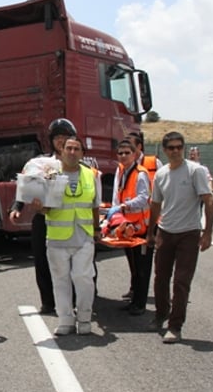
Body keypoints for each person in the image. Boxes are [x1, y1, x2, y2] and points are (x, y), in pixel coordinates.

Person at [147, 131, 213, 343]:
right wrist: (151, 231)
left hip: (189, 234)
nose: (176, 151)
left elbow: (208, 201)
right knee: (160, 279)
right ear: (165, 151)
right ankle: (160, 314)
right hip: (166, 232)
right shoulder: (161, 174)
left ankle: (175, 326)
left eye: (179, 147)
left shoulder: (196, 171)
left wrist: (207, 233)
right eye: (171, 148)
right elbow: (156, 204)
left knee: (181, 282)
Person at [9, 118, 77, 315]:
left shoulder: (78, 163)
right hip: (42, 216)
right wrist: (17, 207)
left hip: (67, 219)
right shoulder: (39, 163)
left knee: (71, 262)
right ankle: (48, 302)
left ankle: (73, 300)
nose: (61, 141)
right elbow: (25, 185)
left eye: (65, 137)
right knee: (41, 259)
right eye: (57, 137)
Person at [44, 137, 101, 336]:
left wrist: (97, 230)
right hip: (58, 237)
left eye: (76, 149)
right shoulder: (51, 174)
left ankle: (85, 319)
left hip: (83, 236)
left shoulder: (90, 175)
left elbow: (95, 205)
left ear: (82, 153)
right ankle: (66, 320)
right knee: (60, 280)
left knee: (83, 278)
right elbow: (44, 207)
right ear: (61, 151)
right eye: (68, 148)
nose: (72, 152)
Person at [105, 138, 152, 316]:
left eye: (127, 153)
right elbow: (118, 195)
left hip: (142, 228)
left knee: (142, 269)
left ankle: (140, 304)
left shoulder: (140, 173)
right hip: (128, 227)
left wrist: (124, 206)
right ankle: (134, 301)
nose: (123, 156)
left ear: (134, 154)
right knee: (133, 267)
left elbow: (143, 198)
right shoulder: (122, 171)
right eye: (120, 153)